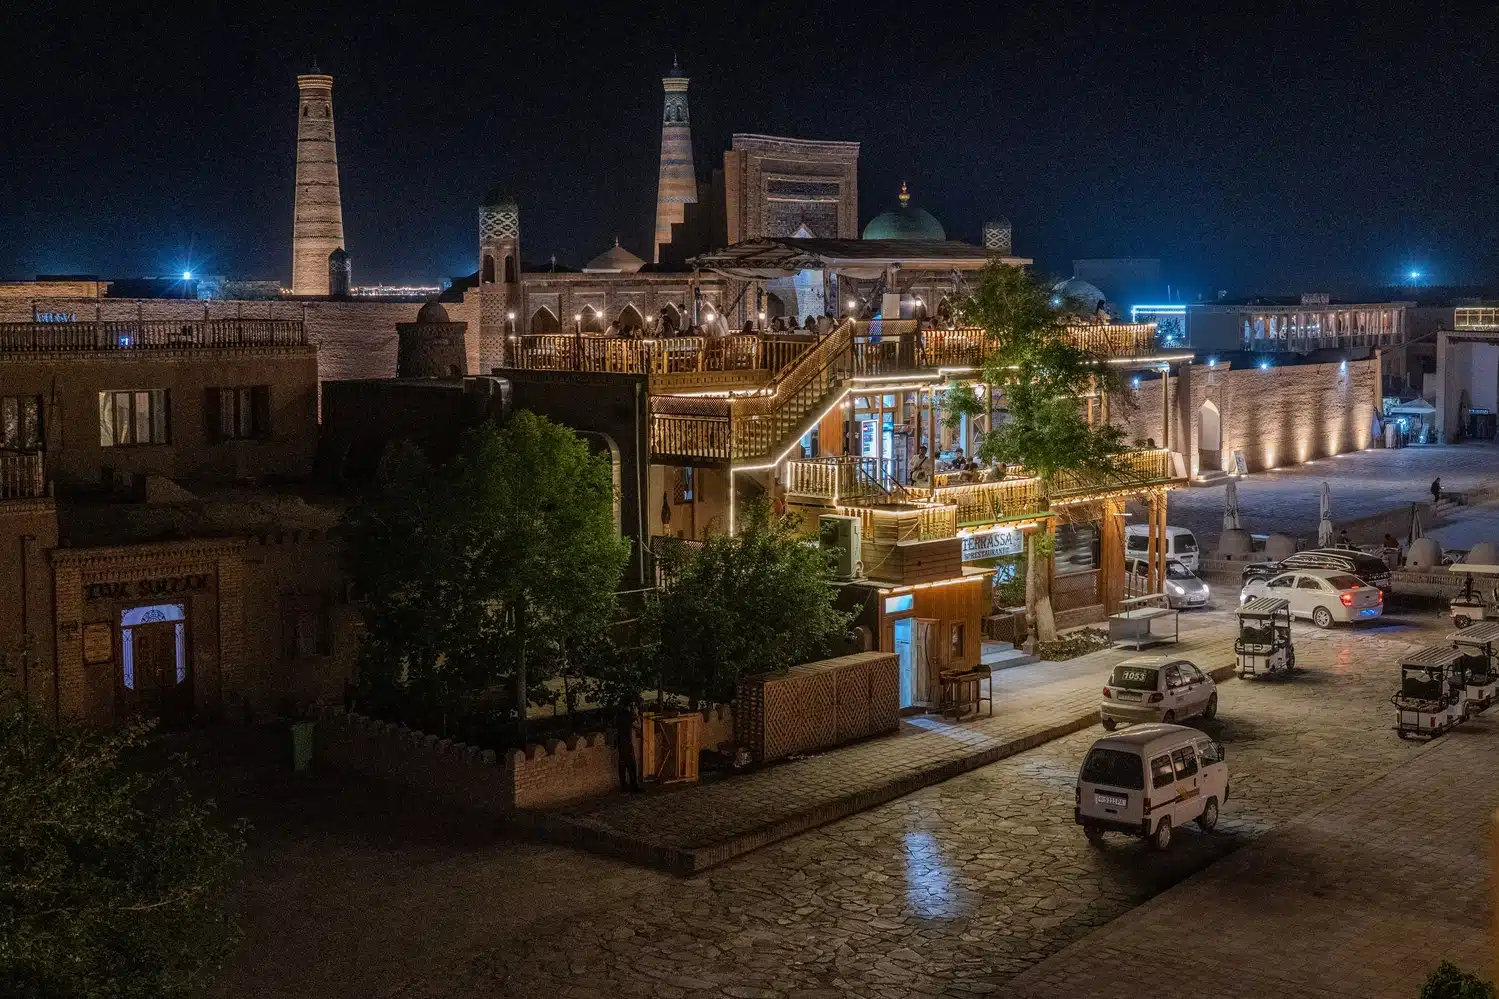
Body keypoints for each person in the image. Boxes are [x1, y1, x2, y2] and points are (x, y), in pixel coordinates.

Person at [614, 696, 642, 792]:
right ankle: (634, 787)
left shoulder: (619, 715)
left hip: (620, 742)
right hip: (628, 742)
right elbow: (639, 726)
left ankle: (624, 786)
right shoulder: (629, 715)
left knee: (622, 764)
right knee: (632, 765)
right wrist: (637, 714)